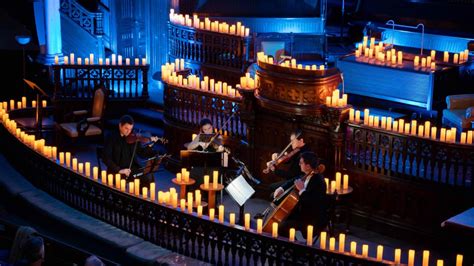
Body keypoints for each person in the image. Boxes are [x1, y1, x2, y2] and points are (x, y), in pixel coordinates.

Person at [272, 152, 328, 238]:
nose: (299, 164)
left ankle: (295, 247)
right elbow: (292, 180)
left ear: (308, 166)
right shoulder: (307, 174)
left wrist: (302, 190)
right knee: (280, 221)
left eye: (301, 163)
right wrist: (281, 189)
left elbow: (312, 203)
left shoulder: (319, 182)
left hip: (311, 218)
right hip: (301, 211)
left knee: (281, 227)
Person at [102, 115, 159, 185]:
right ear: (120, 125)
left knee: (148, 177)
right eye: (126, 128)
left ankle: (139, 195)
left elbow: (141, 153)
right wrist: (119, 170)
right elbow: (106, 158)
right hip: (117, 170)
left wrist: (150, 146)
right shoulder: (111, 137)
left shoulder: (133, 137)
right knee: (143, 179)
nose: (128, 131)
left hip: (131, 168)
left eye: (130, 129)